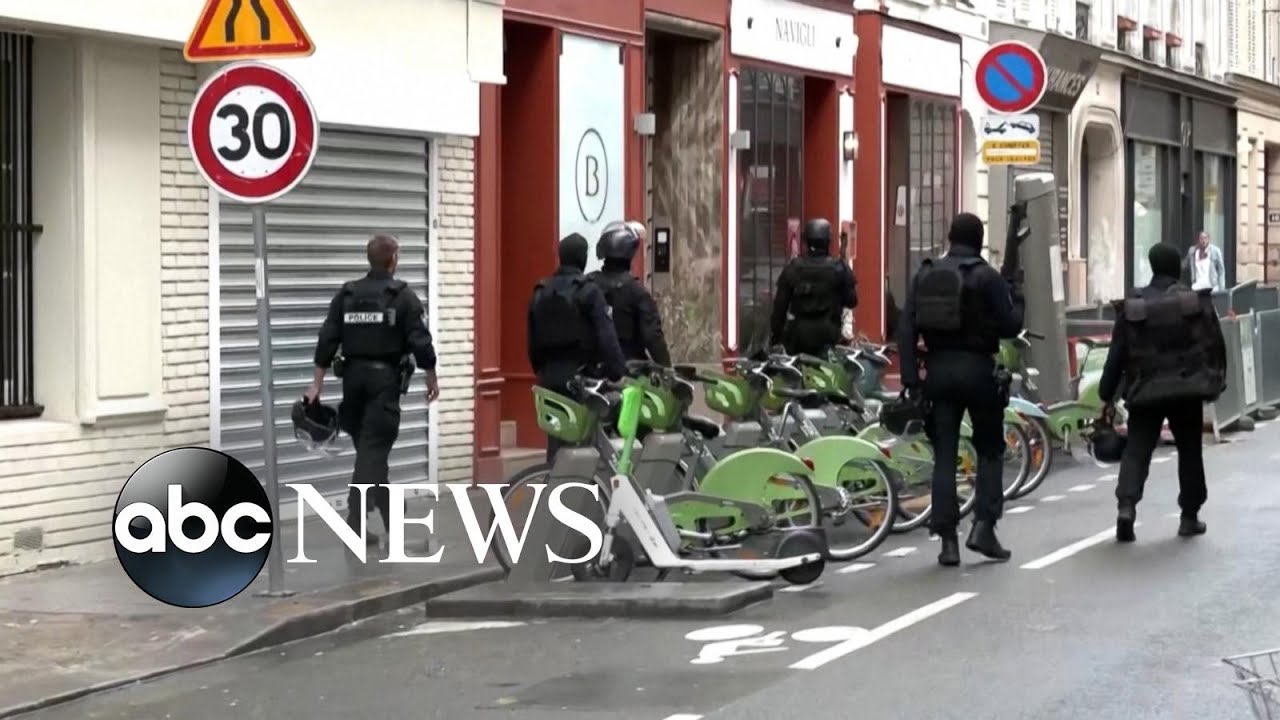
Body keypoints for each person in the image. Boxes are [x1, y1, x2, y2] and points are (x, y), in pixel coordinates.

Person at [897, 212, 1025, 567]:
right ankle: (984, 526)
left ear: (949, 237)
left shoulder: (925, 274)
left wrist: (911, 379)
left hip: (937, 371)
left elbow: (905, 329)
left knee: (944, 456)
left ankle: (947, 541)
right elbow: (1010, 327)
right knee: (989, 450)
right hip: (979, 371)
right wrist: (1017, 294)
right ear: (980, 240)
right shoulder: (988, 278)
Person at [306, 234, 439, 542]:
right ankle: (354, 519)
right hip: (383, 386)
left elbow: (327, 338)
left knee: (371, 453)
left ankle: (391, 518)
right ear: (393, 260)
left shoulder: (348, 294)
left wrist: (316, 384)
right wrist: (431, 377)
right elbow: (421, 341)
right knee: (372, 453)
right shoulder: (403, 297)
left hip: (352, 384)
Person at [1098, 242, 1227, 543]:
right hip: (1186, 389)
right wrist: (1216, 382)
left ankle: (1126, 507)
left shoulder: (1135, 307)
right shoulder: (1192, 304)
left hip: (1145, 390)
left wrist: (1107, 395)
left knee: (1137, 450)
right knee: (1190, 452)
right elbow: (1213, 345)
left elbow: (1117, 356)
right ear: (1177, 268)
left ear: (1152, 266)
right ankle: (1189, 516)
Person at [528, 233, 627, 462]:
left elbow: (531, 340)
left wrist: (542, 371)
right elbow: (606, 337)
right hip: (581, 376)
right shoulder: (589, 291)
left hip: (549, 378)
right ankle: (585, 490)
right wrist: (618, 373)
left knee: (557, 437)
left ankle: (554, 483)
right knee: (586, 436)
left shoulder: (541, 291)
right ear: (582, 259)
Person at [588, 222, 672, 367]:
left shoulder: (587, 285)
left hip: (591, 370)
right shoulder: (637, 292)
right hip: (629, 372)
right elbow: (653, 338)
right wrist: (669, 371)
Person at [769, 218, 858, 356]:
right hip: (829, 335)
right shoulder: (839, 269)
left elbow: (779, 308)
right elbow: (852, 301)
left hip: (799, 336)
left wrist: (776, 338)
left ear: (806, 241)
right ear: (829, 241)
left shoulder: (793, 268)